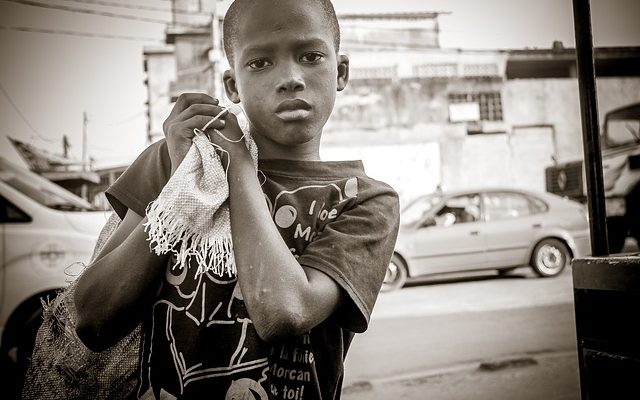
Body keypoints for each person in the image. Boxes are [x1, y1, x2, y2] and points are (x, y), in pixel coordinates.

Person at [73, 0, 400, 398]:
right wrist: (178, 192)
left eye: (311, 56)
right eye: (260, 63)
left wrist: (239, 168)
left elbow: (283, 312)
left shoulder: (365, 200)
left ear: (340, 71)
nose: (291, 78)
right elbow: (91, 318)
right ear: (232, 86)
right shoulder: (175, 163)